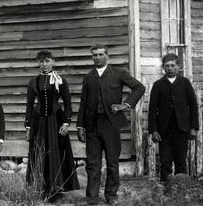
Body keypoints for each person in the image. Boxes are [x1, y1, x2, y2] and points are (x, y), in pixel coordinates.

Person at [77, 44, 145, 205]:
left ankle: (111, 195)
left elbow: (139, 88)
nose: (98, 57)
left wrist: (126, 105)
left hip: (111, 124)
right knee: (93, 164)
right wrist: (80, 126)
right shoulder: (89, 77)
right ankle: (92, 198)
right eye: (94, 55)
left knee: (112, 161)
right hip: (92, 125)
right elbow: (83, 103)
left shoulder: (118, 73)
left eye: (101, 54)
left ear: (108, 56)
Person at [24, 50, 79, 199]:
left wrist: (66, 123)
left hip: (56, 121)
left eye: (47, 61)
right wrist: (28, 127)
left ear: (53, 61)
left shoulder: (60, 80)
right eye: (41, 61)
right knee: (40, 152)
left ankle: (56, 188)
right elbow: (29, 106)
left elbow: (68, 104)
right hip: (38, 122)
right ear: (38, 63)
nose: (44, 64)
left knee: (56, 151)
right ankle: (41, 188)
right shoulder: (33, 82)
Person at [148, 53, 199, 182]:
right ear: (163, 68)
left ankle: (180, 192)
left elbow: (193, 106)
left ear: (178, 67)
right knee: (165, 161)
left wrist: (193, 128)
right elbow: (152, 109)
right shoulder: (158, 85)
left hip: (181, 129)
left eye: (172, 65)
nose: (170, 68)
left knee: (181, 160)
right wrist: (153, 130)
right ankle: (166, 191)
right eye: (167, 66)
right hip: (164, 130)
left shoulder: (185, 83)